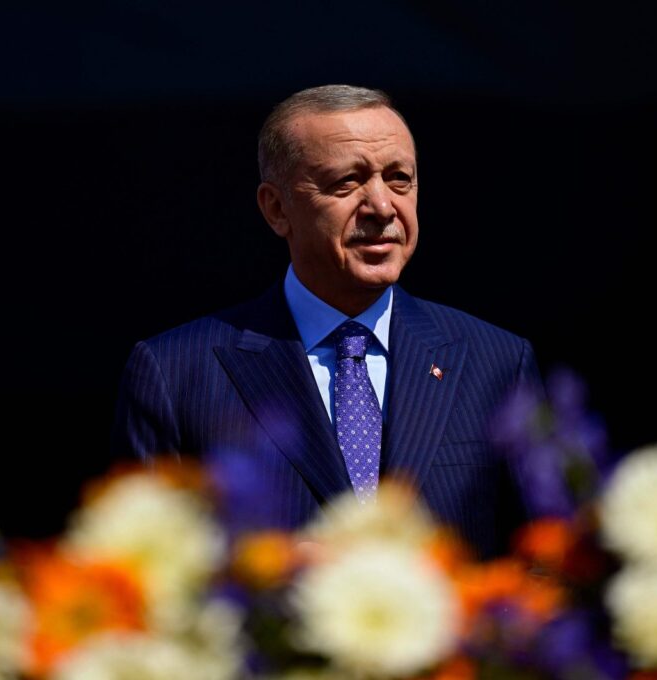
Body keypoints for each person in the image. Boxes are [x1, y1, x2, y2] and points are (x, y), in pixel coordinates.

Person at [112, 85, 541, 557]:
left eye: (399, 179)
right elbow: (146, 574)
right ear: (276, 209)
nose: (381, 207)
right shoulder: (176, 373)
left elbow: (549, 560)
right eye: (346, 183)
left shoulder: (496, 361)